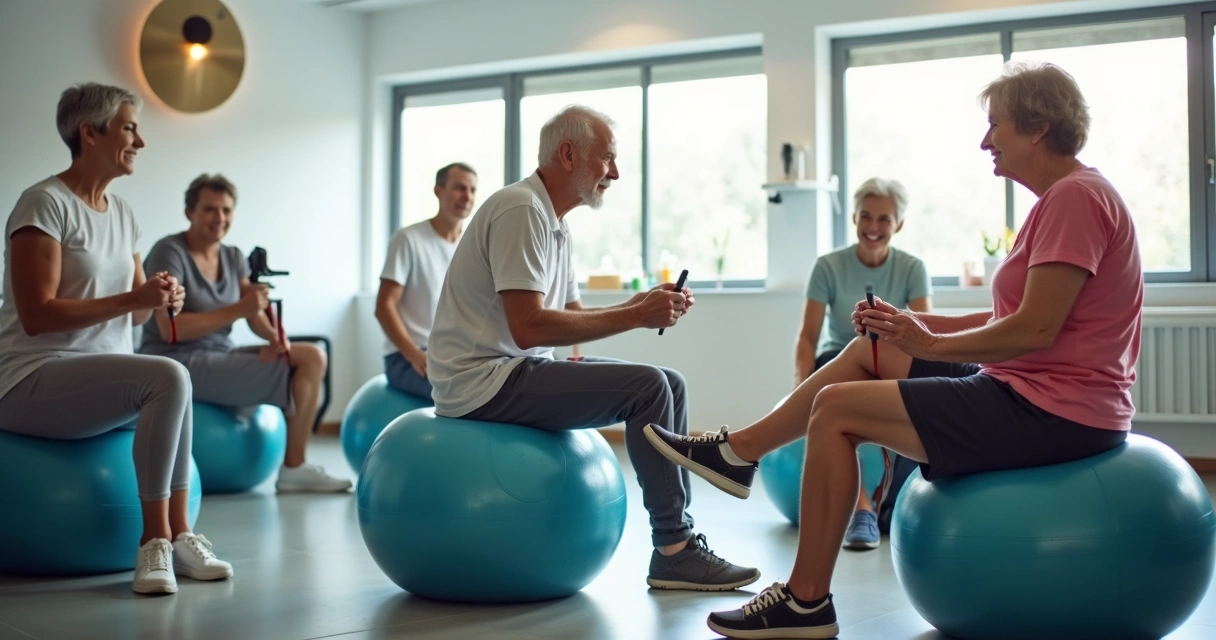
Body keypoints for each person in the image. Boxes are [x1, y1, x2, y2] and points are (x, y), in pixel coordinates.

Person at [645, 61, 1142, 638]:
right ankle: (738, 453)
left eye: (996, 126)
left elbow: (1035, 331)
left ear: (1036, 128)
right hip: (1035, 388)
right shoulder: (1065, 198)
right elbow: (1011, 317)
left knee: (836, 409)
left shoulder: (1074, 201)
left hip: (1054, 410)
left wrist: (930, 342)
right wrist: (906, 323)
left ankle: (805, 601)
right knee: (866, 348)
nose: (986, 141)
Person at [426, 105, 759, 591]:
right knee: (648, 389)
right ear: (568, 154)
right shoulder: (522, 210)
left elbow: (571, 316)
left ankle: (683, 543)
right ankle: (674, 549)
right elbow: (527, 327)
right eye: (607, 159)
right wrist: (635, 317)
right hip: (481, 380)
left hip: (517, 367)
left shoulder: (554, 220)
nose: (616, 173)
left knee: (671, 383)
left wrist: (639, 304)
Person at [0, 83, 233, 594]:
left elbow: (132, 315)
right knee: (169, 374)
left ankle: (183, 535)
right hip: (30, 378)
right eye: (130, 128)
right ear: (90, 132)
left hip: (97, 377)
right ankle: (154, 542)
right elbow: (37, 315)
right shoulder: (43, 204)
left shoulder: (122, 213)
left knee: (178, 378)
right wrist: (137, 299)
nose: (139, 142)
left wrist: (160, 297)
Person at [139, 174, 350, 493]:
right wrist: (241, 308)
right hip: (175, 360)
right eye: (210, 210)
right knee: (300, 364)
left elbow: (250, 312)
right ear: (189, 212)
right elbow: (172, 329)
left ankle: (295, 467)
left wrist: (274, 339)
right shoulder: (169, 252)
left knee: (312, 356)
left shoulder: (232, 256)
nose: (219, 218)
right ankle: (293, 467)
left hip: (220, 352)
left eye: (226, 210)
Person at [794, 176, 931, 550]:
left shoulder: (913, 268)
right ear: (853, 218)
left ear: (898, 224)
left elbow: (925, 336)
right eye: (865, 216)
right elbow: (807, 336)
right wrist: (801, 386)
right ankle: (862, 508)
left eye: (884, 219)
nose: (873, 227)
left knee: (913, 403)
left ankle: (890, 504)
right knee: (842, 403)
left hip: (891, 361)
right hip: (839, 357)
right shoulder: (828, 266)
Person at [375, 162, 477, 399]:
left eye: (472, 190)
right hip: (408, 358)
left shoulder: (472, 246)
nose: (467, 196)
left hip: (457, 356)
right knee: (467, 397)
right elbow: (384, 306)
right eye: (459, 188)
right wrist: (414, 355)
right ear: (438, 190)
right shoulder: (408, 239)